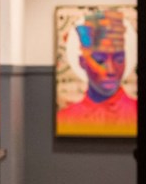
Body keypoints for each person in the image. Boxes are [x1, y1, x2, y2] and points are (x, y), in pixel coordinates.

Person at [56, 9, 137, 137]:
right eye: (100, 60)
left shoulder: (138, 112)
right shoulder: (65, 119)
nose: (111, 70)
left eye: (119, 59)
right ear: (82, 62)